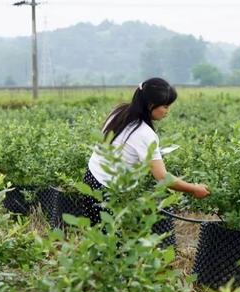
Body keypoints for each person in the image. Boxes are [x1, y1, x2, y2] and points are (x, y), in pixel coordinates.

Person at [81, 77, 209, 224]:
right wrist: (194, 189)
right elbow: (162, 177)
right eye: (166, 106)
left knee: (98, 237)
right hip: (109, 191)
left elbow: (115, 144)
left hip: (91, 179)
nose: (168, 111)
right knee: (112, 241)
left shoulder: (119, 111)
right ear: (151, 105)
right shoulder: (145, 134)